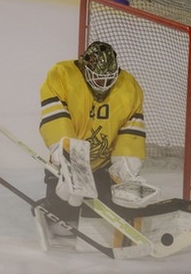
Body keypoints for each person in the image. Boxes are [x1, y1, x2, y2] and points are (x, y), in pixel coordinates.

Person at [37, 41, 160, 235]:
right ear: (86, 68)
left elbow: (131, 133)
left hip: (102, 167)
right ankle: (50, 205)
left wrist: (125, 172)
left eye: (108, 80)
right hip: (67, 164)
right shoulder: (61, 75)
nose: (103, 86)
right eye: (98, 80)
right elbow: (56, 120)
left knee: (111, 216)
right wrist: (69, 160)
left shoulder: (129, 87)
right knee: (63, 221)